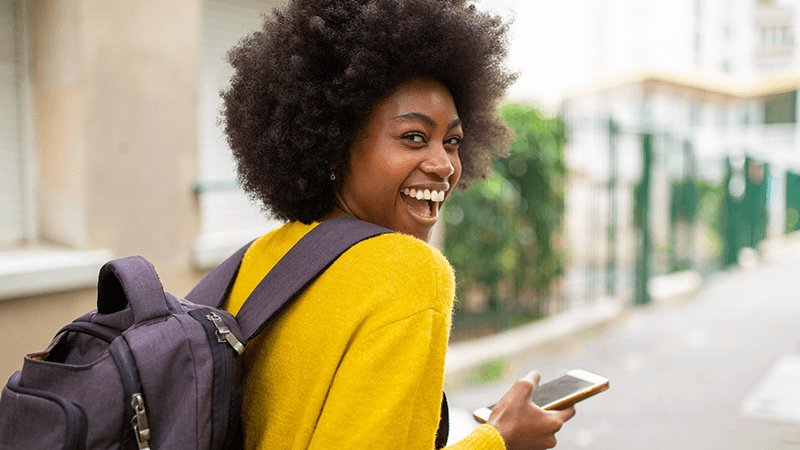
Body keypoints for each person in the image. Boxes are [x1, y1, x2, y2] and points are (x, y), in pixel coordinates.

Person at [221, 0, 575, 448]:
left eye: (452, 141)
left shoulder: (260, 256)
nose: (444, 165)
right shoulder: (407, 271)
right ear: (336, 143)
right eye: (413, 137)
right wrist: (501, 439)